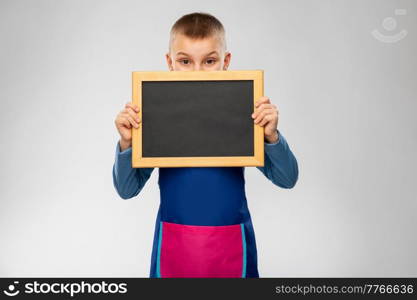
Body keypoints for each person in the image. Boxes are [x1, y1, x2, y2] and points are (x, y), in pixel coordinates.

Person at [112, 12, 298, 278]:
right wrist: (127, 142)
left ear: (226, 62)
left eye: (209, 61)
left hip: (231, 242)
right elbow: (126, 189)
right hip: (174, 244)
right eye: (185, 61)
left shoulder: (244, 109)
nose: (197, 72)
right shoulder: (156, 112)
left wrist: (272, 136)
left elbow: (287, 178)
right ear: (170, 63)